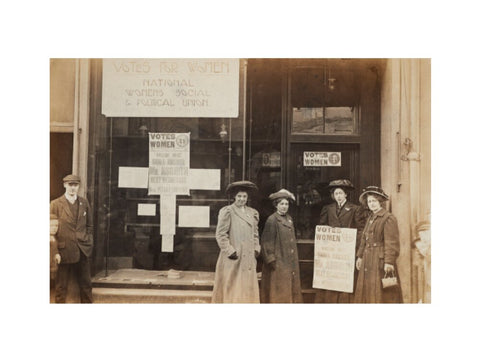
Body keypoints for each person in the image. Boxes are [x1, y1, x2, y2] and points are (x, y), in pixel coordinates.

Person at [315, 179, 366, 303]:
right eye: (336, 194)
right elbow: (322, 227)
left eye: (341, 193)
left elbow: (361, 230)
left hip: (347, 251)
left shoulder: (355, 209)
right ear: (333, 195)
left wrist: (355, 246)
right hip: (332, 251)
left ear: (346, 194)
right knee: (332, 277)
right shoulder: (328, 208)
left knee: (345, 279)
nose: (338, 196)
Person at [211, 181, 261, 303]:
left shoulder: (252, 213)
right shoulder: (228, 211)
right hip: (234, 257)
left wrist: (256, 249)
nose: (242, 199)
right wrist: (230, 251)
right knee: (233, 289)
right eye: (239, 196)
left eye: (244, 196)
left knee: (247, 290)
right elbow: (221, 235)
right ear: (234, 197)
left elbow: (255, 234)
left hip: (248, 257)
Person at [50, 174, 94, 303]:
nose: (73, 188)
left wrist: (88, 241)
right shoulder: (55, 204)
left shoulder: (84, 202)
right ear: (64, 185)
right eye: (70, 185)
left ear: (79, 186)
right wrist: (55, 251)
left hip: (82, 250)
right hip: (64, 251)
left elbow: (89, 225)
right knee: (61, 286)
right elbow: (50, 229)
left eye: (75, 185)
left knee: (86, 285)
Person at [354, 186, 403, 303]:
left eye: (374, 201)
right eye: (369, 201)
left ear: (380, 202)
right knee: (367, 291)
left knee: (380, 293)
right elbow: (364, 240)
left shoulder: (388, 218)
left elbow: (392, 242)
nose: (371, 204)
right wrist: (360, 256)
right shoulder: (370, 218)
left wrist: (389, 262)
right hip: (367, 259)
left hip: (379, 261)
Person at [260, 189, 303, 303]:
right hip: (279, 262)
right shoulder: (272, 220)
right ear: (276, 205)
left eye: (286, 204)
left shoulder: (289, 219)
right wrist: (271, 260)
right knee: (279, 291)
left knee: (290, 289)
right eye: (281, 204)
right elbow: (266, 242)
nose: (284, 206)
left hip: (290, 261)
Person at [50, 214, 61, 286]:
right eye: (51, 225)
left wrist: (56, 253)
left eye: (56, 226)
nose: (54, 228)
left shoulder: (54, 238)